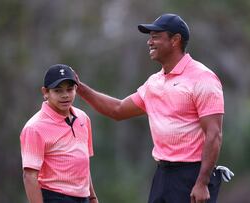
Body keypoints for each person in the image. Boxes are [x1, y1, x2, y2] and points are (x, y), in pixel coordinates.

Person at [77, 13, 225, 203]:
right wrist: (80, 89)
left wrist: (202, 182)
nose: (149, 42)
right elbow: (118, 110)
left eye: (156, 36)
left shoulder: (203, 78)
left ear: (175, 40)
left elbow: (214, 134)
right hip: (163, 175)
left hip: (192, 175)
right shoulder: (154, 82)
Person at [20, 64, 98, 203]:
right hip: (55, 196)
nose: (65, 95)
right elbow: (30, 176)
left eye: (70, 89)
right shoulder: (35, 127)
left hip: (83, 197)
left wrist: (92, 197)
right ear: (45, 92)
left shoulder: (83, 118)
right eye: (57, 90)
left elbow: (83, 163)